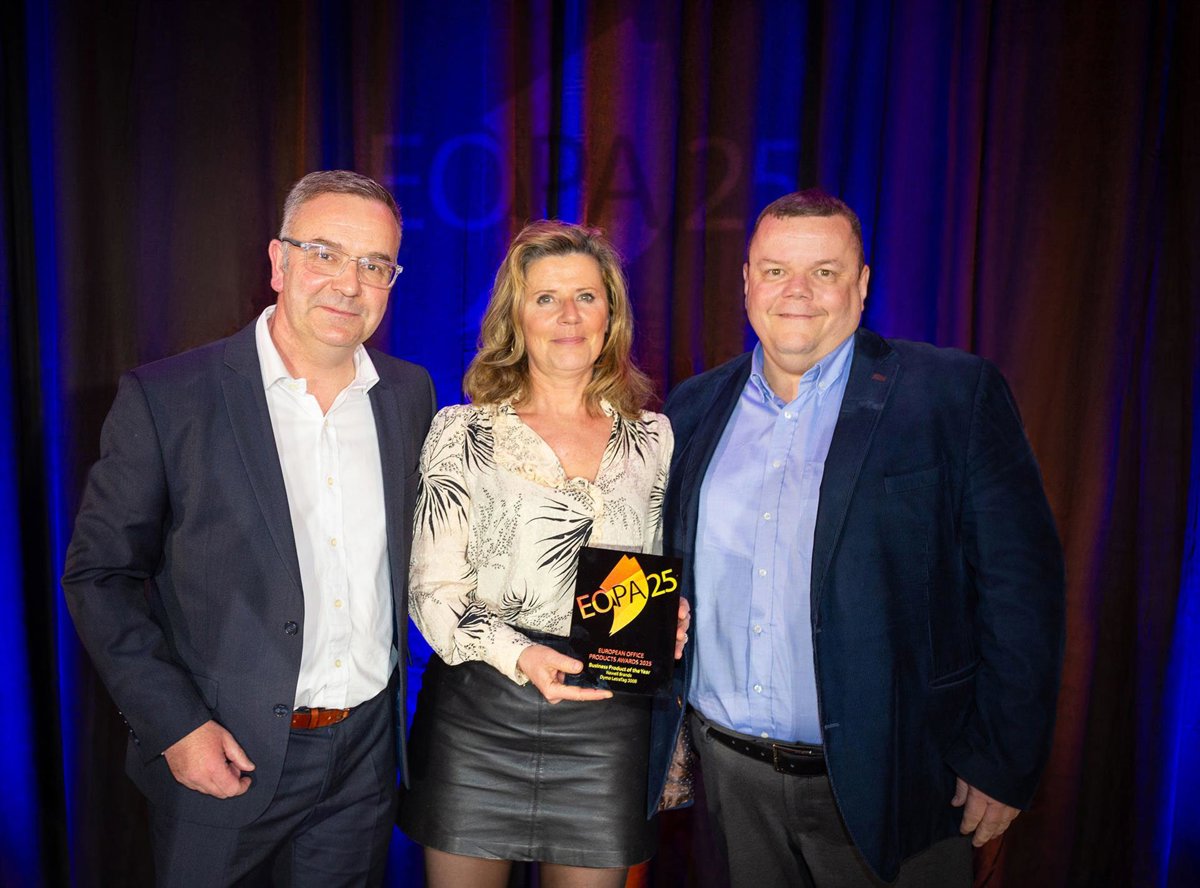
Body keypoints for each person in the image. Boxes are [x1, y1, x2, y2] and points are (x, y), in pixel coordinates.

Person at [655, 189, 1065, 887]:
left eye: (824, 271)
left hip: (898, 784)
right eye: (776, 270)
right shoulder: (693, 406)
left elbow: (1021, 589)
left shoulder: (950, 395)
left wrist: (1002, 759)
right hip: (730, 784)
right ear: (747, 282)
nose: (797, 291)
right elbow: (665, 567)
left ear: (862, 283)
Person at [61, 170, 435, 886]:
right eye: (324, 253)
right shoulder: (169, 397)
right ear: (278, 261)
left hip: (364, 761)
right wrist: (175, 725)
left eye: (374, 264)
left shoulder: (408, 393)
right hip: (223, 751)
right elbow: (100, 576)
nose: (348, 284)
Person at [397, 220, 689, 888]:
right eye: (546, 299)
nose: (568, 316)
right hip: (478, 718)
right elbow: (432, 591)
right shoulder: (461, 431)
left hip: (606, 722)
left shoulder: (655, 439)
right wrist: (521, 654)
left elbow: (666, 566)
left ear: (611, 314)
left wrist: (674, 615)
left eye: (586, 297)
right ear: (516, 318)